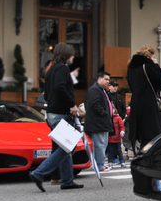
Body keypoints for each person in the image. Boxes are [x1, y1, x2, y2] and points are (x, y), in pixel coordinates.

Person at [28, 43, 83, 192]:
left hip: (52, 112)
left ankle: (67, 181)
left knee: (64, 146)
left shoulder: (51, 70)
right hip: (60, 113)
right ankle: (39, 173)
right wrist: (71, 104)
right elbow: (60, 87)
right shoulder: (63, 69)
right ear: (66, 55)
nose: (73, 57)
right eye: (71, 54)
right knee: (66, 147)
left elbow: (46, 92)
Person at [126, 45, 161, 147]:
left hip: (136, 102)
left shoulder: (131, 68)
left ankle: (140, 152)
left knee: (141, 132)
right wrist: (156, 65)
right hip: (148, 103)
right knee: (152, 131)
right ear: (149, 56)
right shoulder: (148, 66)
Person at [84, 71, 114, 172]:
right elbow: (95, 104)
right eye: (106, 79)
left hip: (102, 122)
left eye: (108, 80)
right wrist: (104, 113)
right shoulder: (95, 89)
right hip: (98, 122)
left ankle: (99, 164)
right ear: (99, 79)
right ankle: (99, 165)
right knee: (99, 145)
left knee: (102, 144)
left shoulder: (101, 90)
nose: (107, 82)